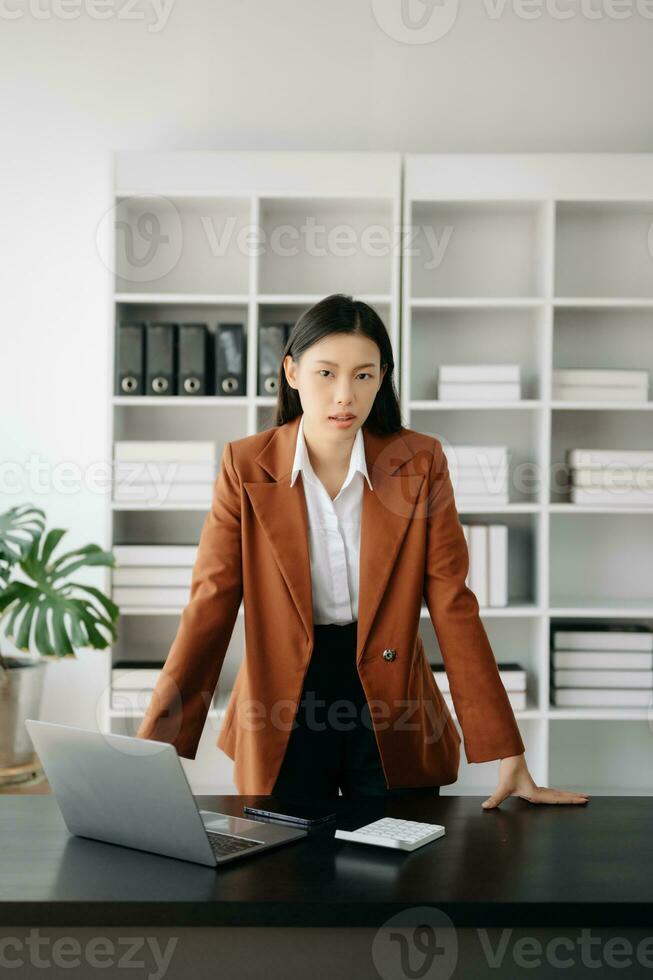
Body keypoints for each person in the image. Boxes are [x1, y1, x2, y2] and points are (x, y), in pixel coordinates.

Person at [136, 293, 589, 808]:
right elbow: (210, 605)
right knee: (281, 878)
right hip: (280, 708)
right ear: (291, 372)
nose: (344, 396)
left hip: (393, 702)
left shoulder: (420, 462)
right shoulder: (245, 466)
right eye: (326, 373)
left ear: (383, 377)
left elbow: (452, 603)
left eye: (364, 375)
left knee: (399, 874)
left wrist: (508, 752)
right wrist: (157, 748)